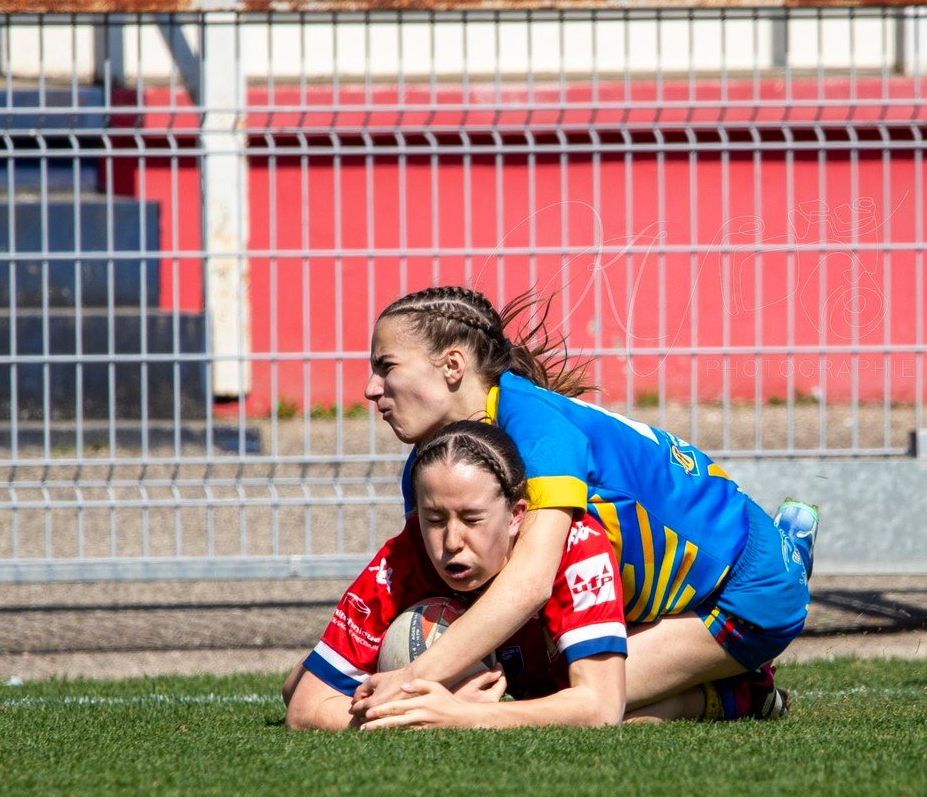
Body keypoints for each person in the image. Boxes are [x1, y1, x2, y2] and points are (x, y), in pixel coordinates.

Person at [348, 286, 818, 723]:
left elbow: (530, 584)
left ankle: (744, 691)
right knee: (530, 673)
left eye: (386, 366)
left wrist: (412, 680)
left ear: (452, 366)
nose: (371, 389)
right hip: (669, 593)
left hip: (742, 592)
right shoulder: (433, 466)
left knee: (560, 700)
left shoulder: (538, 429)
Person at [283, 420, 630, 729]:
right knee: (296, 679)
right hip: (534, 679)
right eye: (434, 519)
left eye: (472, 519)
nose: (451, 541)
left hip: (673, 612)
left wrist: (462, 715)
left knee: (648, 685)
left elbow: (599, 706)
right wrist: (417, 710)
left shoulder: (576, 546)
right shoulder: (404, 558)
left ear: (515, 515)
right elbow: (304, 708)